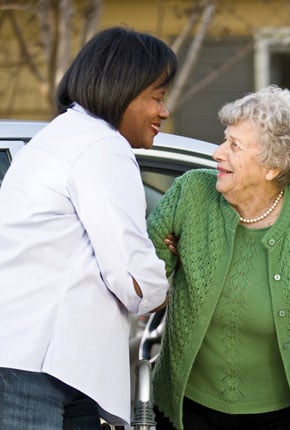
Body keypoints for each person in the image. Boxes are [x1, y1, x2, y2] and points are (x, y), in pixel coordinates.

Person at [147, 85, 290, 430]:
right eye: (225, 139)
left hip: (284, 413)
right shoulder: (190, 194)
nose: (218, 154)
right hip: (187, 407)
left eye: (234, 146)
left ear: (272, 166)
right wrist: (165, 265)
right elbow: (143, 265)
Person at [0, 26, 177, 428]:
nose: (163, 112)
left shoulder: (60, 137)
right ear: (121, 90)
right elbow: (132, 277)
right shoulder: (102, 148)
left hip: (36, 360)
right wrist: (172, 284)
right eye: (157, 97)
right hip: (36, 368)